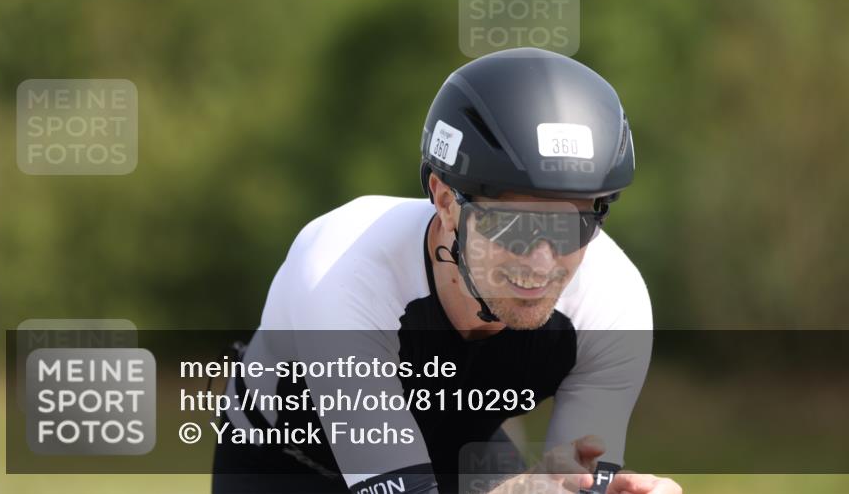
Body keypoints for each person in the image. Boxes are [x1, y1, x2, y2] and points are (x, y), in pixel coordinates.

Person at [211, 47, 680, 494]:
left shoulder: (612, 300)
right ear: (444, 200)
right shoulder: (344, 273)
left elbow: (574, 483)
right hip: (287, 466)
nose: (542, 263)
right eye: (514, 224)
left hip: (455, 456)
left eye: (573, 226)